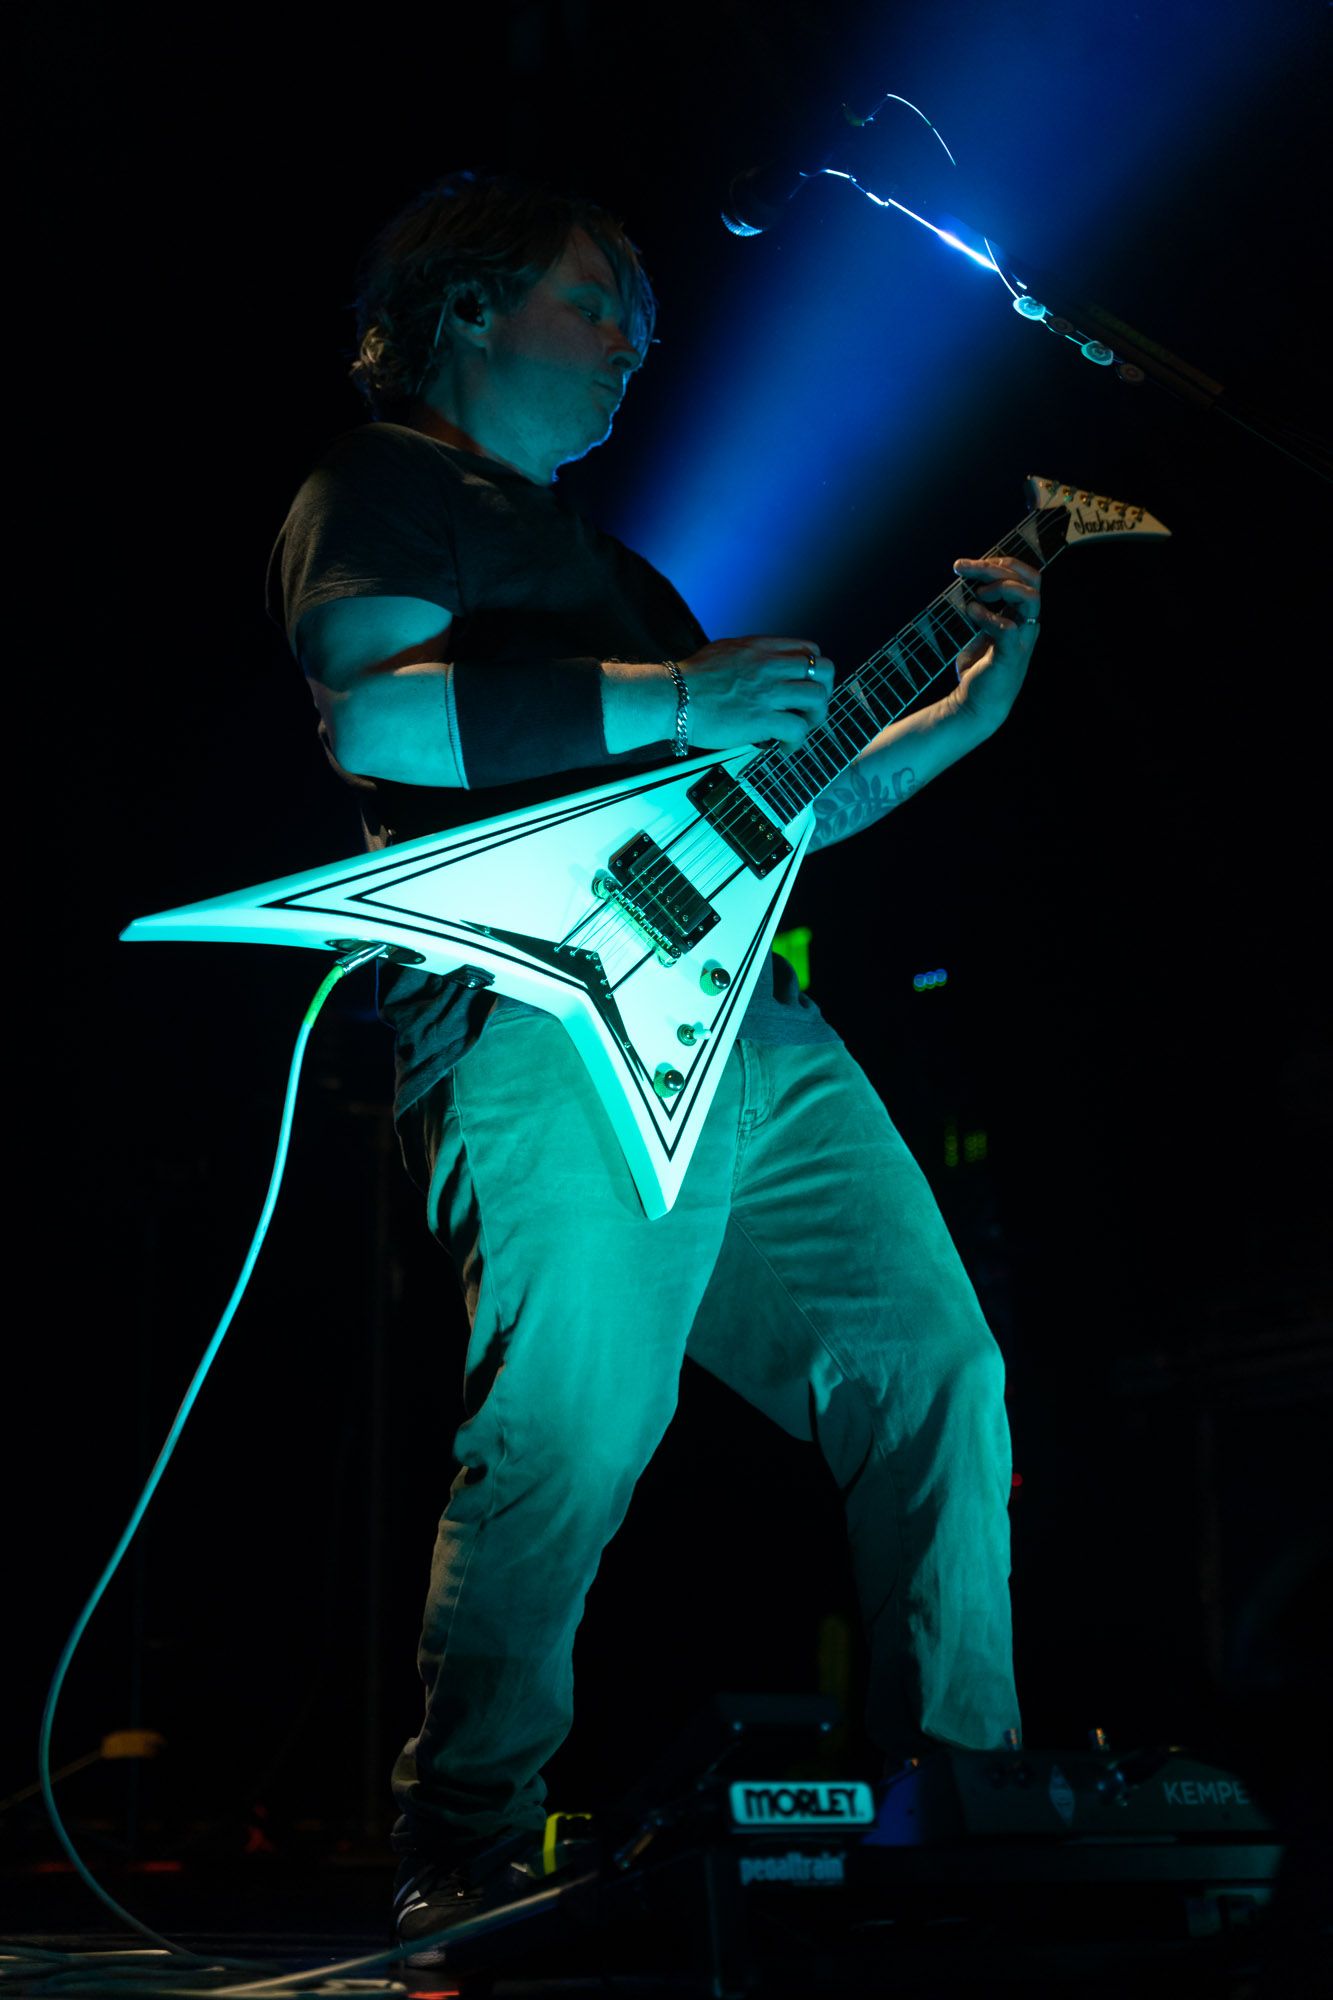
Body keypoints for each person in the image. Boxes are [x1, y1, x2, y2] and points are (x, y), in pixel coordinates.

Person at [267, 171, 1041, 1956]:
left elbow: (766, 819)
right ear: (469, 305)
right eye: (598, 301)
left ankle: (964, 1801)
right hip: (538, 1028)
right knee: (576, 1421)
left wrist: (958, 715)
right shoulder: (374, 485)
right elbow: (374, 713)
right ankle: (463, 1838)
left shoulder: (625, 577)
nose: (633, 343)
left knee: (935, 1370)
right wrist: (683, 697)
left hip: (746, 1029)